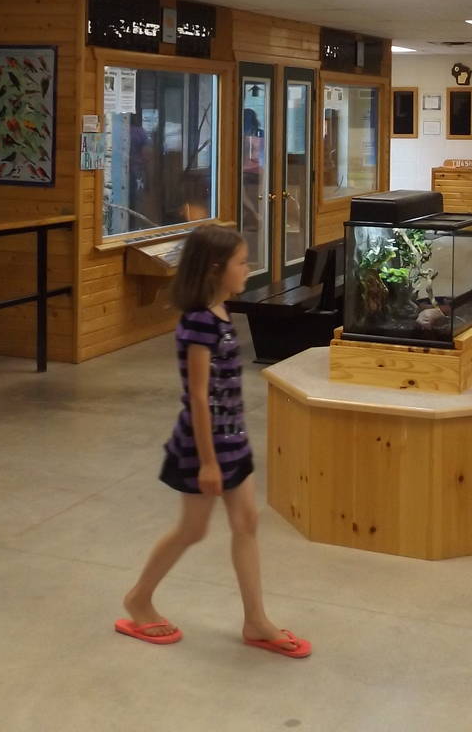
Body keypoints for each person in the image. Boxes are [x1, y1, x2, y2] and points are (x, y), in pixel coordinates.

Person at [117, 225, 310, 658]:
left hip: (232, 441)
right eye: (242, 263)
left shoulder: (222, 312)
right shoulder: (199, 324)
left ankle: (256, 621)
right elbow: (199, 398)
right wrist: (208, 462)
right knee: (192, 529)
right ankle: (138, 599)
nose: (249, 269)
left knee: (246, 524)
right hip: (204, 447)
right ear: (215, 269)